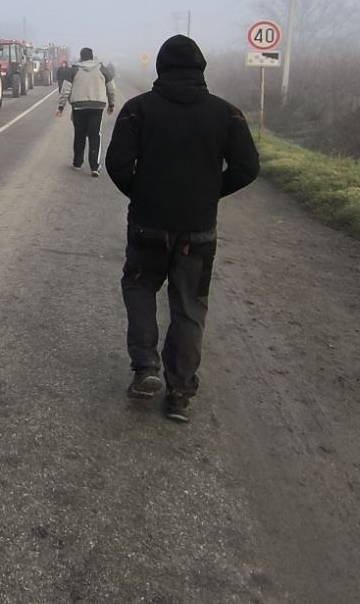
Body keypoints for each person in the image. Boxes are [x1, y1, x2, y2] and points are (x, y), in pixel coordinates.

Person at [104, 35, 259, 423]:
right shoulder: (227, 114)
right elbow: (248, 168)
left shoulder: (138, 110)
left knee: (139, 287)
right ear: (201, 69)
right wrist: (210, 194)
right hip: (198, 229)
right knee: (189, 306)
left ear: (160, 68)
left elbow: (118, 164)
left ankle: (145, 367)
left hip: (148, 224)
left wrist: (141, 194)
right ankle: (179, 392)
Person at [57, 46, 117, 176]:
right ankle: (94, 167)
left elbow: (65, 89)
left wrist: (61, 107)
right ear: (92, 56)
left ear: (81, 57)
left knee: (80, 134)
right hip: (97, 106)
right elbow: (111, 87)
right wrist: (111, 104)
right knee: (95, 134)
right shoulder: (102, 68)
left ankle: (77, 163)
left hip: (78, 106)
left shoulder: (74, 70)